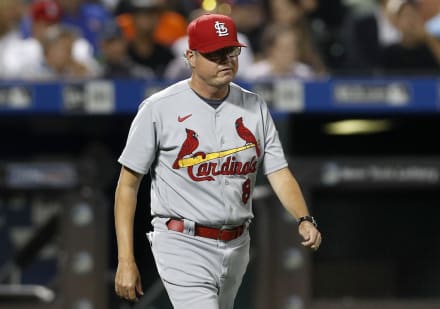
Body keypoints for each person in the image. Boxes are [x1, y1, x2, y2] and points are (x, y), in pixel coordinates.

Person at [113, 13, 322, 309]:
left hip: (237, 243)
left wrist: (303, 218)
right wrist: (125, 259)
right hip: (182, 241)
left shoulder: (253, 105)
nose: (225, 60)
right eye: (214, 54)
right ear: (191, 57)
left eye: (230, 51)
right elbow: (127, 185)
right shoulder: (159, 108)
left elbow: (278, 171)